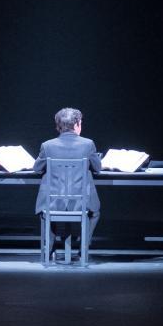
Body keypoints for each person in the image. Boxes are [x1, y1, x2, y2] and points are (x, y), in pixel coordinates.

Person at [32, 107, 102, 259]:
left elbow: (37, 169)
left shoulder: (47, 145)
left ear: (58, 126)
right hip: (80, 203)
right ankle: (83, 249)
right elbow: (97, 168)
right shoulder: (88, 144)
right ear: (77, 124)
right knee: (95, 212)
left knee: (46, 214)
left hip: (53, 202)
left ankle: (48, 251)